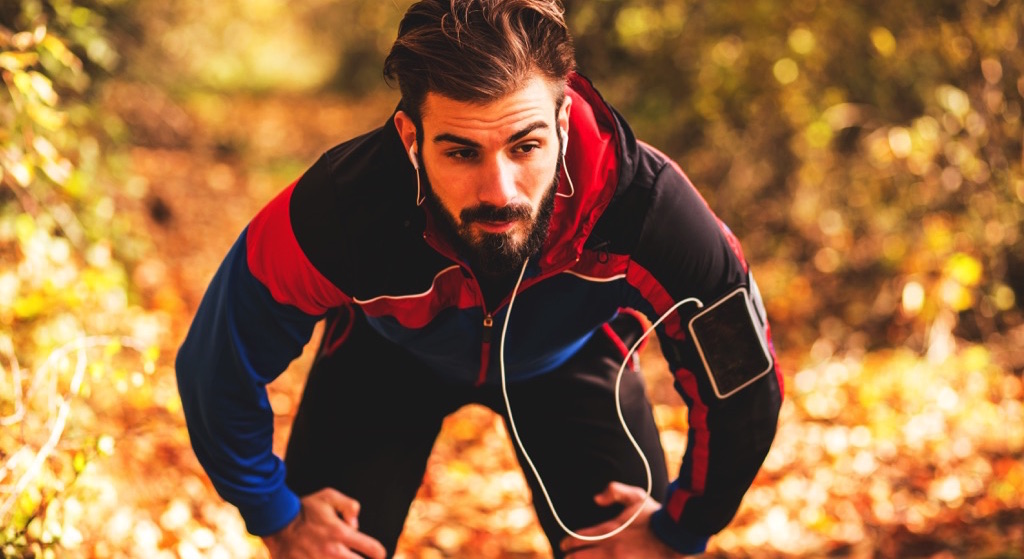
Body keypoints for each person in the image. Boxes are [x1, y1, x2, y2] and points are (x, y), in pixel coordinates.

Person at [175, 0, 783, 557]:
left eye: (526, 146)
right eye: (461, 152)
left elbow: (744, 384)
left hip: (572, 360)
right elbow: (217, 365)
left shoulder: (646, 209)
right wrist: (275, 514)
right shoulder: (340, 209)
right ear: (411, 139)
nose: (500, 192)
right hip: (385, 356)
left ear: (564, 122)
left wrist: (683, 526)